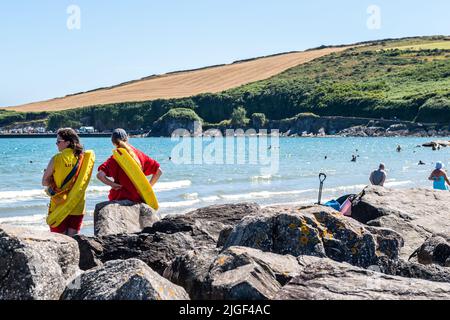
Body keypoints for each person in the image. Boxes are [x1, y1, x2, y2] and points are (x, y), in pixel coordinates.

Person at [97, 128, 163, 202]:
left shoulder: (114, 159)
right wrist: (148, 188)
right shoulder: (139, 155)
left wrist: (112, 184)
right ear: (127, 138)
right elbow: (159, 171)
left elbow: (100, 175)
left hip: (120, 197)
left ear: (113, 143)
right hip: (138, 199)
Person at [42, 128, 86, 235]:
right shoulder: (83, 157)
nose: (56, 144)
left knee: (60, 242)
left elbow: (44, 182)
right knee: (73, 241)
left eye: (58, 141)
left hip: (59, 205)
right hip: (77, 204)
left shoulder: (57, 158)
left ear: (67, 142)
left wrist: (51, 179)